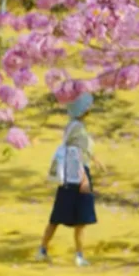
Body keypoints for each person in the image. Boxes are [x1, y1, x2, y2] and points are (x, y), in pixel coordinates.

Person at [36, 92, 99, 266]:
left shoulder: (74, 126)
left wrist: (95, 159)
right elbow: (76, 153)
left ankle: (43, 249)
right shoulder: (78, 127)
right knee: (80, 219)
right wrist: (84, 178)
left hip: (70, 174)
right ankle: (79, 255)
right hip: (77, 173)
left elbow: (81, 149)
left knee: (57, 217)